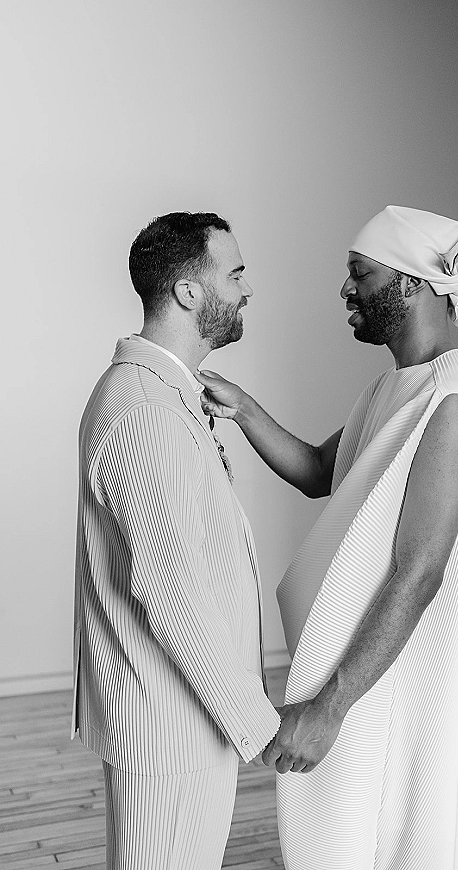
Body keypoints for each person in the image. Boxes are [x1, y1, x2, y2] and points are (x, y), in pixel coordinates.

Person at [196, 205, 458, 870]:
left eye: (361, 274)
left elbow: (420, 571)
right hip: (380, 675)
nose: (346, 290)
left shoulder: (454, 400)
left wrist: (328, 708)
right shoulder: (391, 388)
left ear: (411, 283)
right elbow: (325, 471)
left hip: (419, 689)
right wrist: (240, 407)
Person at [72, 212, 281, 870]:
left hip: (184, 722)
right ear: (189, 292)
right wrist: (260, 725)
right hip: (168, 732)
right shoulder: (143, 408)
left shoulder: (166, 396)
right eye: (237, 274)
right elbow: (170, 589)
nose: (248, 290)